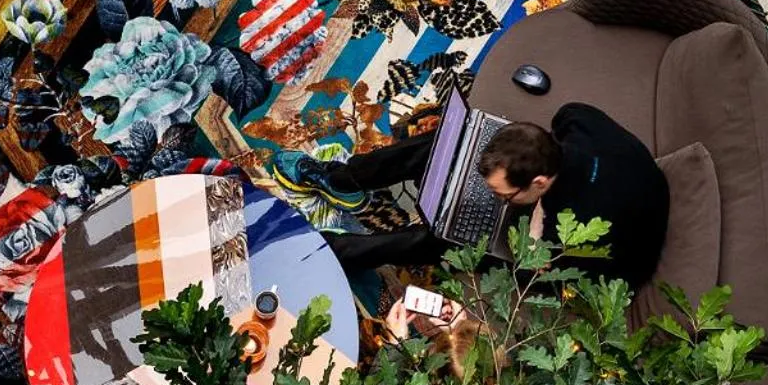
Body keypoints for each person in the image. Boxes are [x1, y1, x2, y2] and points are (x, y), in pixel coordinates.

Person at [270, 101, 670, 287]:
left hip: (610, 266)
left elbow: (536, 272)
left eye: (503, 196)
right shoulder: (579, 127)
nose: (495, 198)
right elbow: (567, 112)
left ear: (539, 184)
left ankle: (335, 252)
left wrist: (534, 235)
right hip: (613, 185)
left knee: (444, 239)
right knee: (440, 149)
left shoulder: (567, 231)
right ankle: (344, 179)